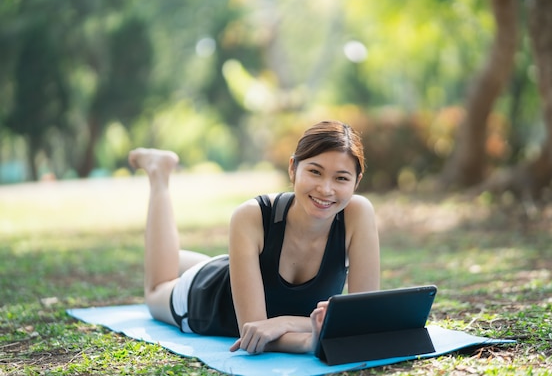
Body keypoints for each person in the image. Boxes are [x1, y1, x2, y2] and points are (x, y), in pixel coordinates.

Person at [128, 120, 380, 355]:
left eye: (341, 178)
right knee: (155, 290)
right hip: (206, 298)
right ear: (293, 168)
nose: (326, 189)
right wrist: (310, 339)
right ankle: (158, 172)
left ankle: (199, 260)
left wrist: (286, 322)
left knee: (225, 264)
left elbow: (362, 318)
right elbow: (254, 328)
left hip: (236, 270)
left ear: (356, 182)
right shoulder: (251, 216)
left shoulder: (357, 214)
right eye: (315, 172)